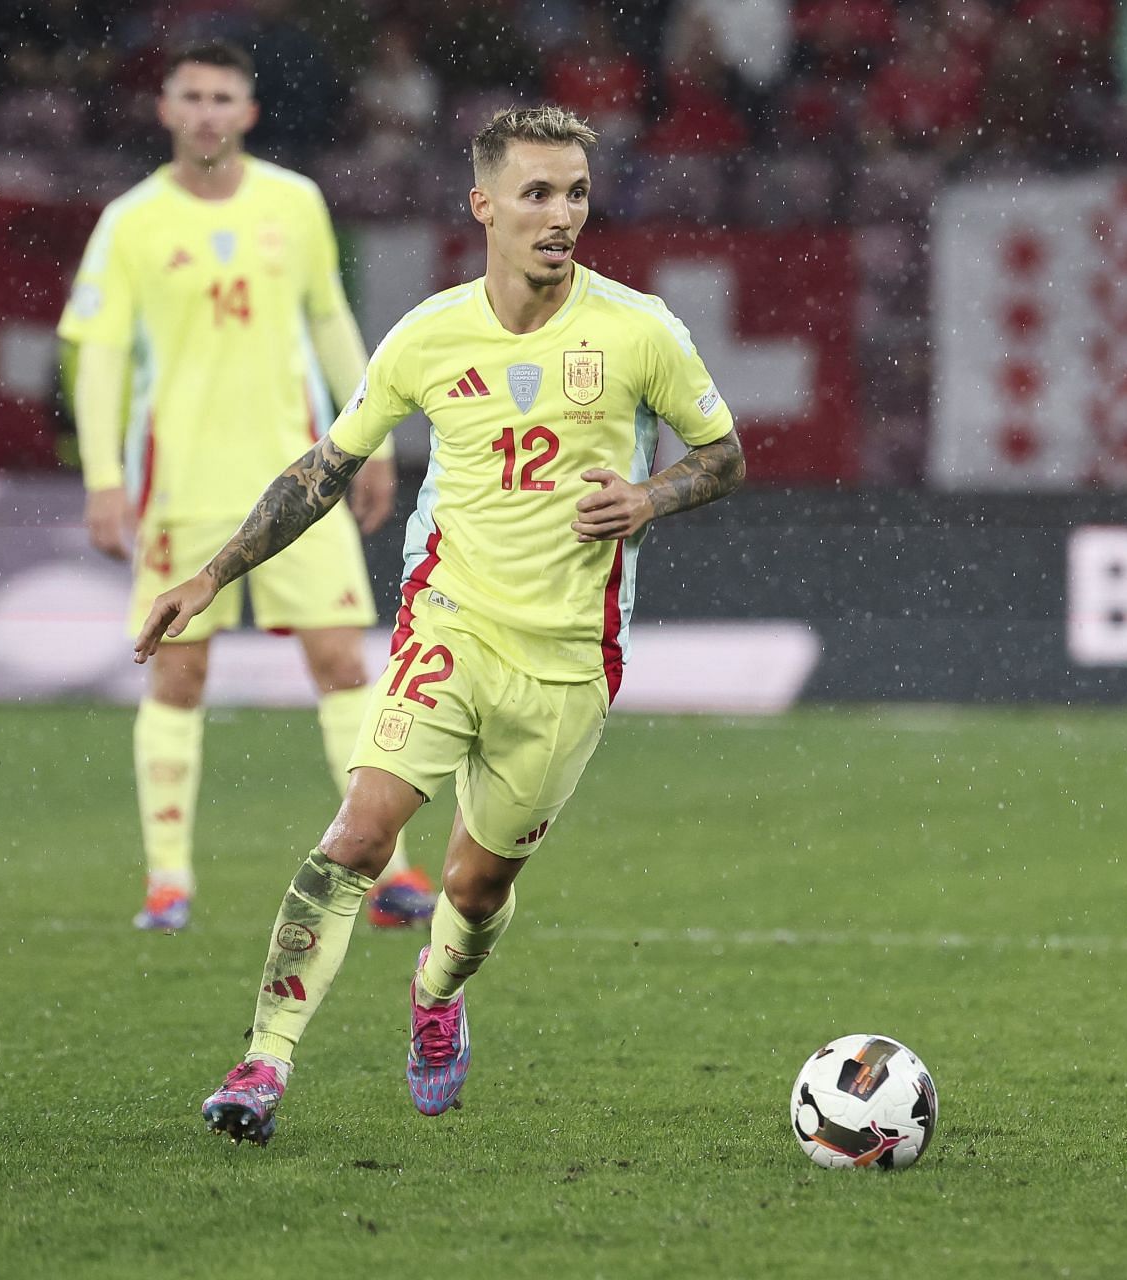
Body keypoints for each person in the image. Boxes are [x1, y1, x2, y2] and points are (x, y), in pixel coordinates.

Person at [133, 104, 746, 1144]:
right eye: (538, 194)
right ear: (485, 206)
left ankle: (437, 992)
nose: (561, 215)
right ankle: (262, 1063)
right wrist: (211, 573)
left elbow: (722, 456)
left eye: (577, 194)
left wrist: (649, 497)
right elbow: (326, 468)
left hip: (566, 661)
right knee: (360, 831)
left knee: (477, 879)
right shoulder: (427, 333)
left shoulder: (641, 330)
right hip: (448, 625)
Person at [57, 40, 434, 934]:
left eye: (224, 96)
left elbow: (329, 319)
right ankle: (168, 883)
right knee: (179, 674)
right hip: (184, 486)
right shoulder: (131, 222)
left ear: (249, 113)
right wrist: (106, 478)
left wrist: (371, 443)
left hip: (297, 481)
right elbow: (100, 355)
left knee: (344, 661)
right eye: (191, 96)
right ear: (164, 109)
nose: (207, 112)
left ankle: (387, 872)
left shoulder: (294, 203)